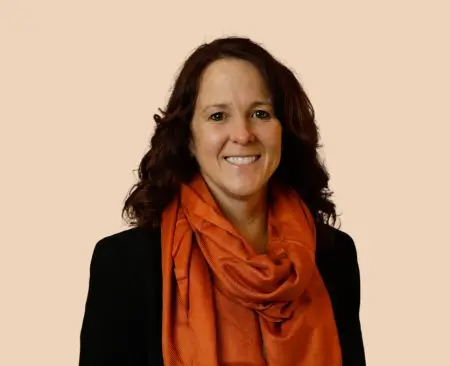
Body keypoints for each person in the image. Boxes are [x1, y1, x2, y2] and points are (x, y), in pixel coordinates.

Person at [79, 36, 366, 366]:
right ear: (188, 136)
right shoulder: (124, 264)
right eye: (218, 116)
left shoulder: (333, 255)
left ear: (283, 130)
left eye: (260, 113)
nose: (243, 134)